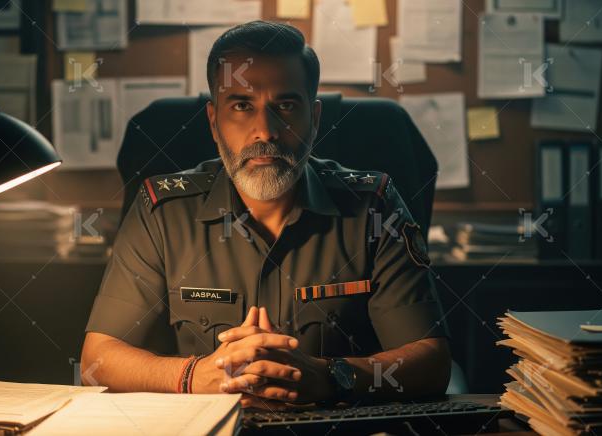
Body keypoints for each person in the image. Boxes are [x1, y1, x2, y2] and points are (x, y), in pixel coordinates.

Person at [81, 20, 450, 410]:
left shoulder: (374, 206)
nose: (265, 131)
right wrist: (193, 376)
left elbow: (432, 361)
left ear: (316, 117)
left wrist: (329, 377)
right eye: (242, 105)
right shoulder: (162, 211)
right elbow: (98, 358)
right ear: (213, 120)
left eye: (285, 106)